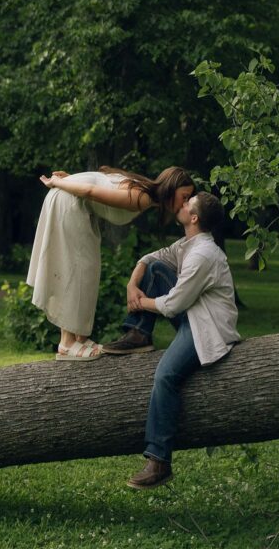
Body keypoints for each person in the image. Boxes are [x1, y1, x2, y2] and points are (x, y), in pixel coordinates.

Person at [101, 191, 240, 488]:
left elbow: (173, 304)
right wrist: (132, 282)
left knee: (165, 376)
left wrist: (140, 302)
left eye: (189, 203)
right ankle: (140, 334)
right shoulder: (189, 244)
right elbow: (155, 258)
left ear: (194, 218)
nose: (182, 203)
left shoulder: (203, 255)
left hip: (207, 327)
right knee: (155, 269)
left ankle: (159, 461)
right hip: (193, 314)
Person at [26, 167, 195, 362]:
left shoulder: (142, 190)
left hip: (73, 202)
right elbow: (90, 190)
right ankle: (67, 342)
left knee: (88, 269)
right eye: (184, 196)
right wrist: (57, 183)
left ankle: (80, 337)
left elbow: (100, 180)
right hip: (68, 203)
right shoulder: (142, 197)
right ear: (171, 189)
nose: (186, 203)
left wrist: (71, 179)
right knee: (75, 268)